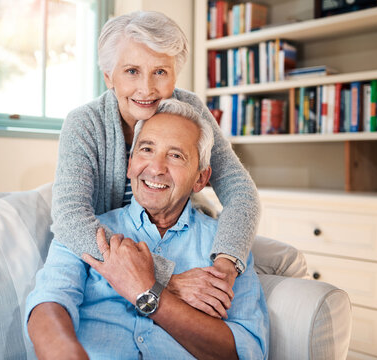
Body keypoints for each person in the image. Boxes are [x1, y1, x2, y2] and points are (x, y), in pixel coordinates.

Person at [51, 10, 260, 318]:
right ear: (109, 76)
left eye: (160, 72)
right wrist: (164, 280)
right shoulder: (84, 123)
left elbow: (241, 190)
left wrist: (224, 266)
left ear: (175, 74)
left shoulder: (190, 110)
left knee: (279, 258)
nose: (146, 89)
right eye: (132, 71)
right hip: (113, 253)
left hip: (182, 241)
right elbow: (70, 218)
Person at [26, 99, 269, 359]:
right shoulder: (87, 231)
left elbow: (245, 350)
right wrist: (66, 352)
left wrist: (150, 292)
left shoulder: (225, 250)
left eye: (175, 155)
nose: (156, 168)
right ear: (130, 164)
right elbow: (49, 303)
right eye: (146, 149)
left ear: (200, 178)